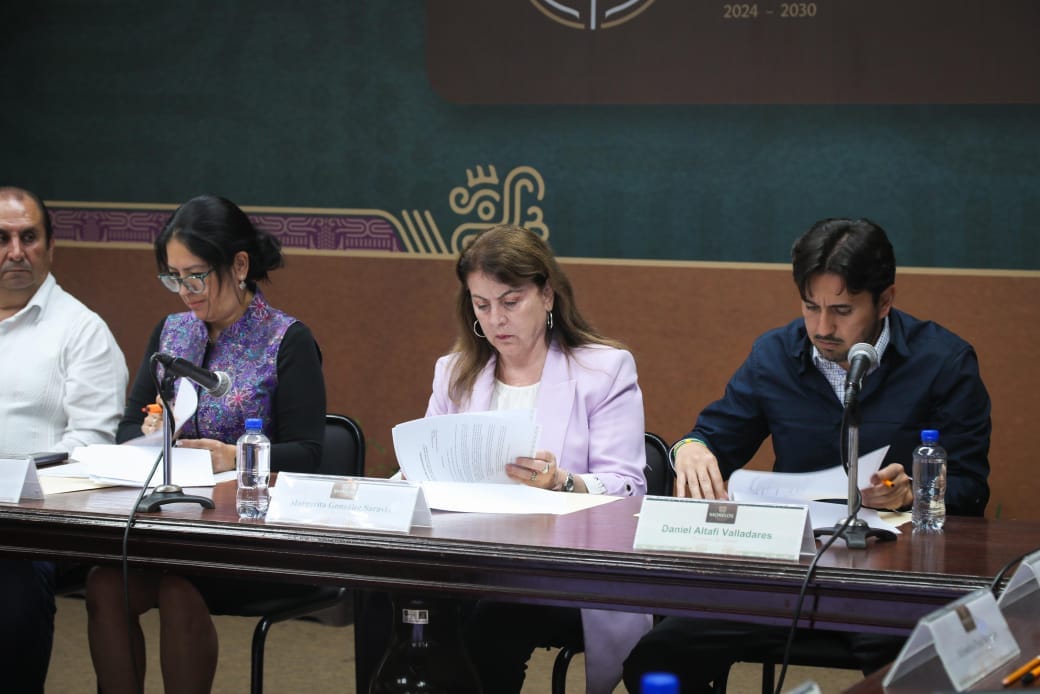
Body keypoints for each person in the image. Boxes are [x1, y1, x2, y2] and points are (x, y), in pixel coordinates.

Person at [622, 217, 991, 693]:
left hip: (892, 581)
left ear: (885, 301)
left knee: (922, 676)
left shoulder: (943, 362)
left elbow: (970, 489)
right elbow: (712, 438)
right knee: (657, 661)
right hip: (787, 571)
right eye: (810, 307)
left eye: (842, 310)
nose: (822, 327)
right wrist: (692, 449)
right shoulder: (775, 355)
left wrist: (913, 493)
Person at [85, 194, 326, 693]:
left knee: (178, 589)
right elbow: (127, 428)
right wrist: (151, 433)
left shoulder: (286, 339)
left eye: (196, 276)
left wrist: (234, 455)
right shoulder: (171, 334)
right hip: (172, 523)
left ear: (239, 265)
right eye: (173, 277)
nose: (185, 292)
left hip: (248, 532)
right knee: (105, 583)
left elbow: (309, 455)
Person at [433, 224, 650, 694]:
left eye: (510, 302)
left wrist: (563, 483)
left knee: (491, 618)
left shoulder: (603, 370)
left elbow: (629, 487)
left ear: (547, 295)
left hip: (566, 570)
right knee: (389, 599)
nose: (496, 319)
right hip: (469, 556)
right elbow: (427, 465)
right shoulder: (454, 373)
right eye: (481, 304)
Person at [0, 186, 128, 692]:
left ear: (50, 247)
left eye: (28, 237)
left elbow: (91, 454)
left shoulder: (82, 332)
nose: (16, 252)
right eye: (2, 238)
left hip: (35, 523)